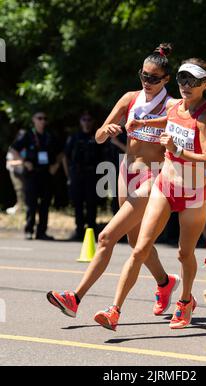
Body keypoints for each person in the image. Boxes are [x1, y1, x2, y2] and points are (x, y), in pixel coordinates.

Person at [47, 43, 180, 318]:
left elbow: (184, 135)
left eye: (154, 78)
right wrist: (105, 131)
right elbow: (97, 136)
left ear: (166, 79)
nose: (147, 81)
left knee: (106, 236)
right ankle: (165, 283)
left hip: (153, 177)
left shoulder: (173, 105)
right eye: (143, 75)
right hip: (126, 173)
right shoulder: (130, 98)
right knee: (135, 243)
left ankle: (75, 298)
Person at [94, 57, 206, 331]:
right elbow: (168, 119)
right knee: (139, 248)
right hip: (165, 186)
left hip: (193, 190)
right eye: (183, 78)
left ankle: (185, 300)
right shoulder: (175, 108)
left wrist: (177, 151)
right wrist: (139, 124)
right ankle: (114, 311)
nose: (186, 85)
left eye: (194, 81)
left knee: (185, 254)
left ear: (205, 84)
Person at [10, 112, 62, 240]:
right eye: (39, 118)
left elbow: (61, 151)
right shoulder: (28, 135)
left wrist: (56, 165)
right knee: (31, 204)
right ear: (33, 120)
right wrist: (24, 162)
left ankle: (42, 232)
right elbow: (13, 149)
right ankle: (29, 230)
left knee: (45, 204)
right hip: (32, 174)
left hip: (46, 174)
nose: (42, 121)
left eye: (44, 118)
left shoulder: (49, 136)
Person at [63, 111, 107, 241]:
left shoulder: (97, 137)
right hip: (77, 174)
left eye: (89, 120)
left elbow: (103, 158)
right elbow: (65, 156)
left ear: (92, 122)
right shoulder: (74, 137)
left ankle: (91, 231)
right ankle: (78, 231)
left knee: (92, 203)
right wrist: (68, 175)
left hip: (93, 174)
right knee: (78, 203)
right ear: (80, 121)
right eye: (84, 120)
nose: (86, 122)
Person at [6, 129, 26, 215]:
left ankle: (22, 208)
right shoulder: (13, 147)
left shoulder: (27, 147)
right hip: (15, 172)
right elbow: (9, 163)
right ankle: (20, 210)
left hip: (25, 172)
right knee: (20, 190)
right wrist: (23, 162)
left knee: (26, 190)